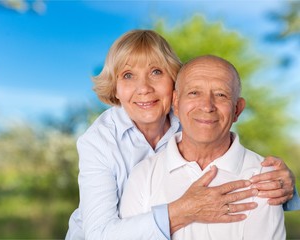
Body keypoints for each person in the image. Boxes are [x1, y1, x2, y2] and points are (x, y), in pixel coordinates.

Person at [66, 30, 298, 240]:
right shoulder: (99, 141)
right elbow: (99, 234)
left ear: (173, 83)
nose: (144, 88)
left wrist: (284, 188)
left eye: (156, 72)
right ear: (115, 87)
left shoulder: (190, 117)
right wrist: (183, 211)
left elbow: (227, 141)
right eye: (127, 75)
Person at [119, 55, 288, 239]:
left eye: (221, 95)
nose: (207, 106)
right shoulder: (143, 175)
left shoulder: (265, 179)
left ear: (237, 109)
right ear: (176, 102)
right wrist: (183, 212)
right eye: (194, 93)